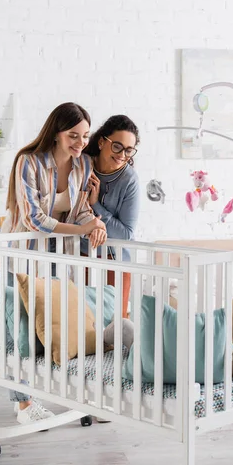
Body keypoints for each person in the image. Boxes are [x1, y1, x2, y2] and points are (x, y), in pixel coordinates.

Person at [1, 102, 107, 425]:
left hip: (59, 258)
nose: (80, 142)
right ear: (56, 132)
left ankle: (73, 391)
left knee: (63, 325)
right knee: (20, 326)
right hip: (24, 254)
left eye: (85, 136)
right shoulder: (28, 162)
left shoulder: (84, 166)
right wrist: (81, 229)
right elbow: (35, 219)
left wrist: (96, 222)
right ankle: (23, 404)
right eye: (73, 135)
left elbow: (78, 213)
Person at [83, 115, 140, 318]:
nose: (122, 155)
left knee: (117, 324)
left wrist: (95, 204)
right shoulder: (82, 166)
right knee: (83, 321)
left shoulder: (129, 180)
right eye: (117, 146)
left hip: (116, 259)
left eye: (128, 150)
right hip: (82, 254)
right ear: (101, 142)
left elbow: (126, 234)